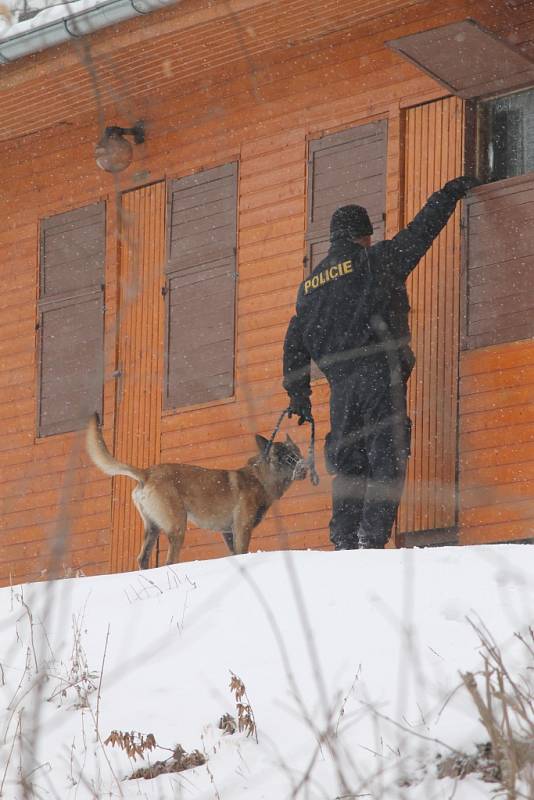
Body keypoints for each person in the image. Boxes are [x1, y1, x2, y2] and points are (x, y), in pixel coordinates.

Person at [282, 176, 481, 550]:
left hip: (340, 387)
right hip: (377, 372)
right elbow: (420, 233)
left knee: (348, 463)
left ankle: (344, 542)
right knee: (386, 451)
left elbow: (293, 343)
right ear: (363, 236)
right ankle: (371, 540)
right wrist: (449, 193)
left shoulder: (309, 288)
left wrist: (299, 396)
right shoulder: (375, 261)